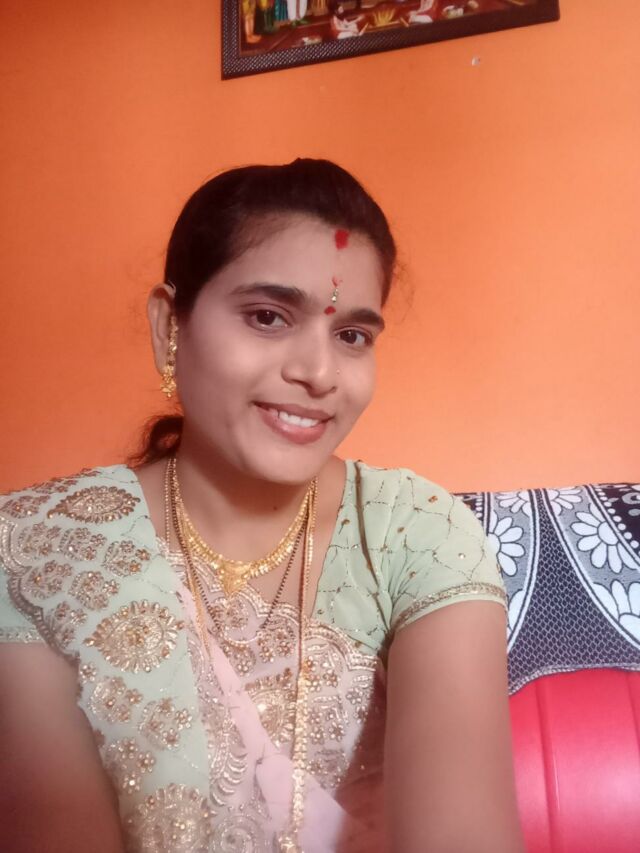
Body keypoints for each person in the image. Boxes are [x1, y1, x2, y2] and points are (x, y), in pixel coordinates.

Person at [0, 159, 523, 852]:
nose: (319, 373)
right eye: (268, 317)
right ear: (168, 325)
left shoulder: (415, 536)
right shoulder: (40, 548)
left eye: (352, 336)